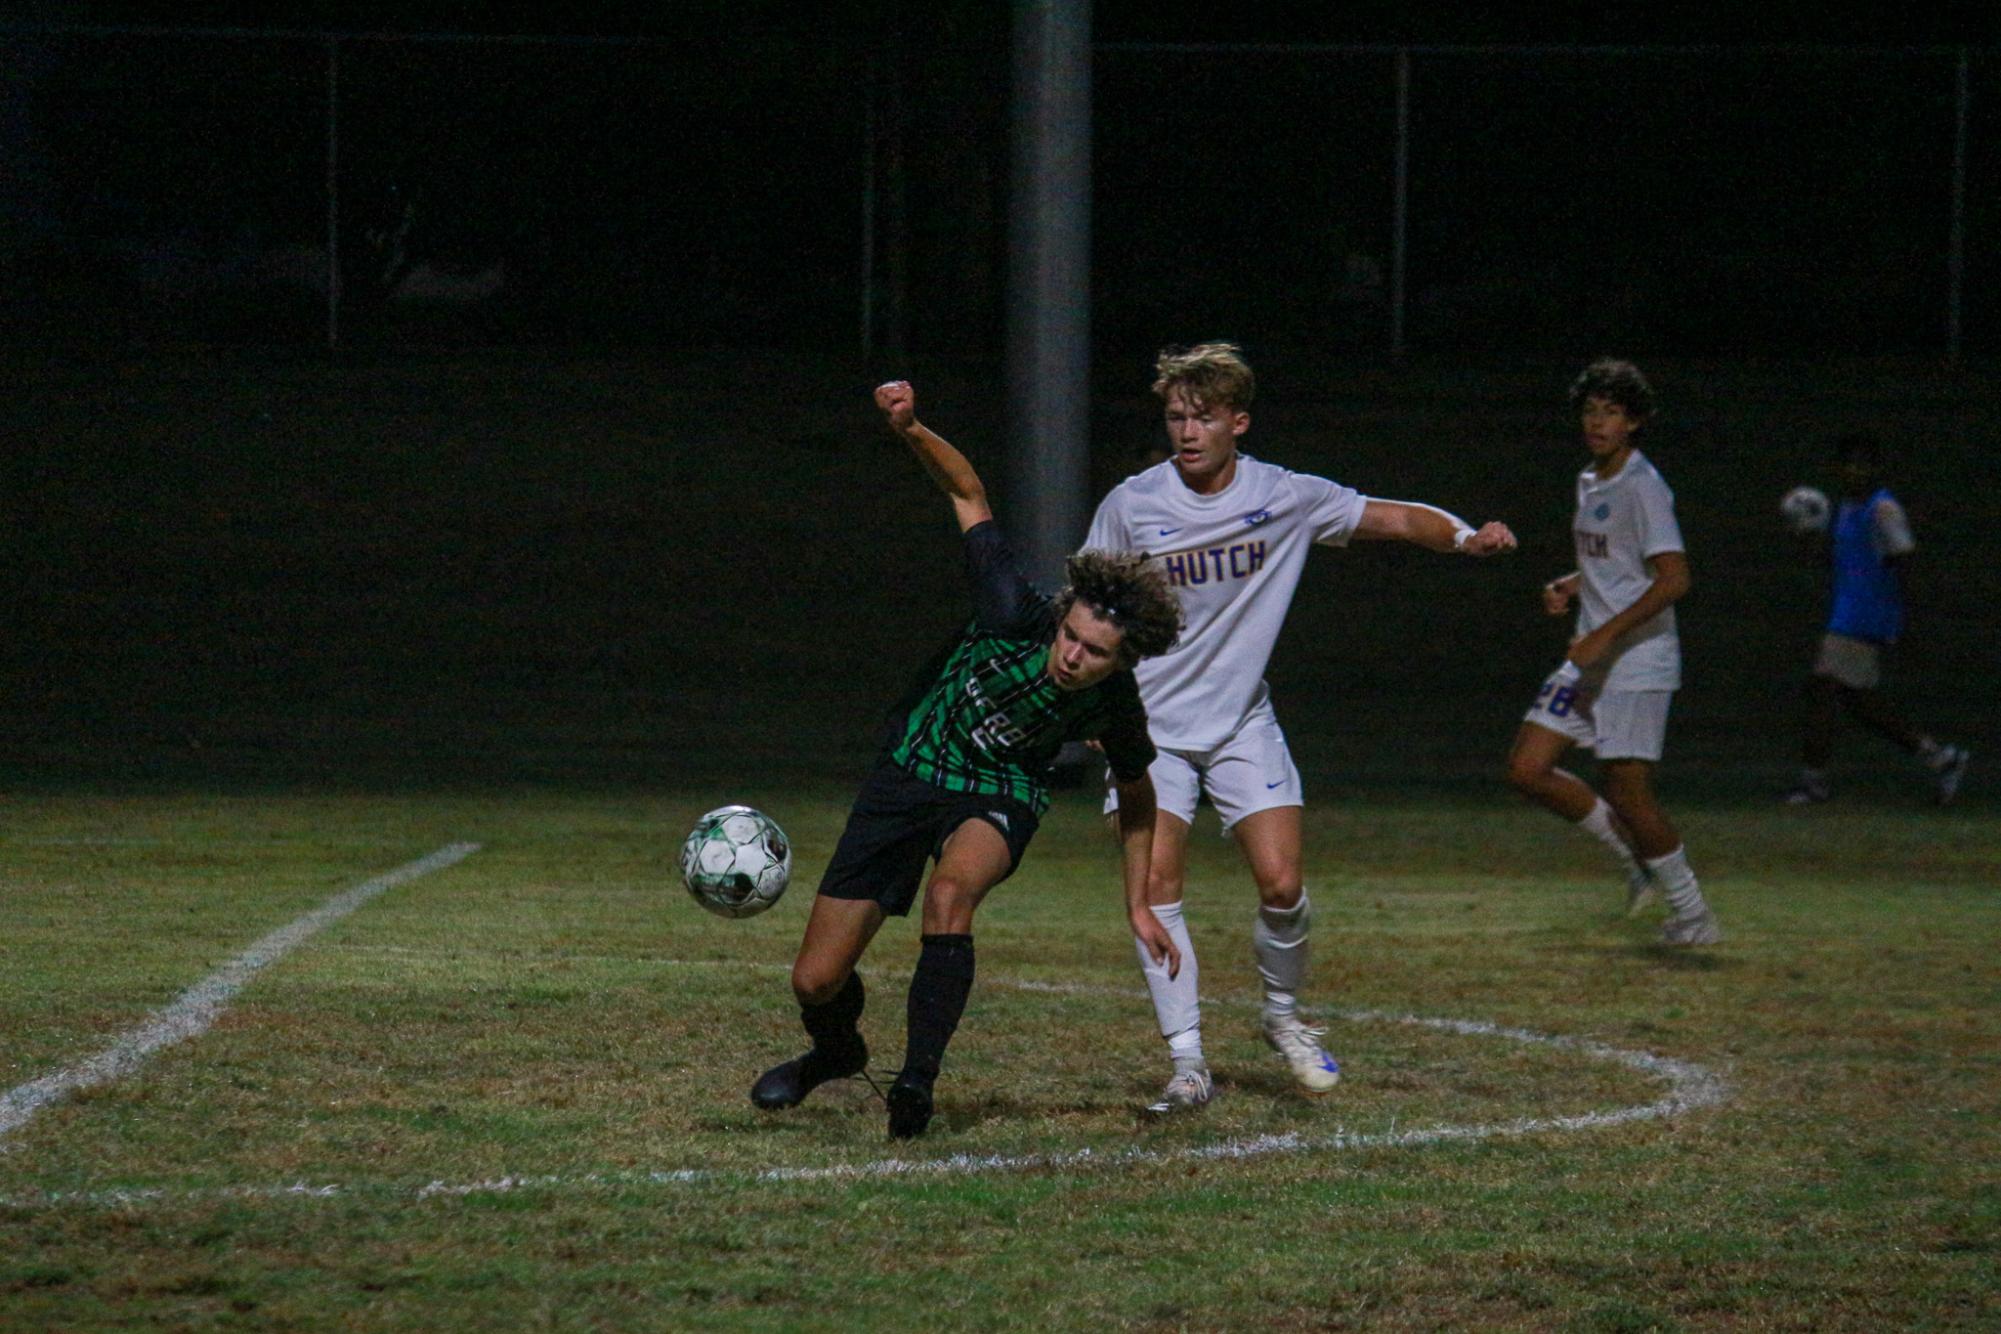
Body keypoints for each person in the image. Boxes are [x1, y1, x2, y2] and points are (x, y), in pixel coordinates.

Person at [1083, 342, 1518, 1113]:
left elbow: (1391, 517)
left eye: (1203, 418)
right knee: (1157, 886)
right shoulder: (1133, 502)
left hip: (1241, 721)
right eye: (1176, 417)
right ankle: (1186, 1064)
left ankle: (1282, 1018)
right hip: (1149, 729)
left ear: (1238, 423)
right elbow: (1084, 601)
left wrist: (1461, 538)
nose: (1186, 431)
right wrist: (1089, 703)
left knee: (1282, 885)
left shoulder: (1285, 496)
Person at [751, 380, 1185, 1140]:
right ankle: (835, 1052)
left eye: (1096, 654)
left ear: (1123, 662)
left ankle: (916, 1083)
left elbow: (1138, 793)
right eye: (1072, 639)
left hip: (998, 789)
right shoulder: (1012, 612)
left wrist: (1138, 902)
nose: (1075, 659)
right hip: (910, 769)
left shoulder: (1113, 707)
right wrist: (911, 427)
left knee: (951, 896)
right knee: (815, 980)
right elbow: (967, 493)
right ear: (1063, 616)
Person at [1505, 359, 1720, 946]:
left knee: (1628, 786)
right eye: (1591, 411)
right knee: (1528, 768)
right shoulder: (1591, 481)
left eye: (1613, 413)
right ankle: (1634, 863)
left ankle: (1693, 914)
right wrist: (1574, 584)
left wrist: (1604, 632)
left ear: (1635, 422)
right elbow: (1618, 562)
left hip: (1637, 656)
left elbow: (1674, 578)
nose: (1598, 422)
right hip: (1592, 654)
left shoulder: (1643, 486)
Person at [1783, 434, 1970, 805]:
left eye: (1864, 464)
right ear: (1838, 469)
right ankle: (1941, 758)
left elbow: (1904, 561)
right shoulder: (1846, 510)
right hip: (1849, 615)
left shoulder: (1883, 509)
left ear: (1875, 469)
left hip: (1866, 618)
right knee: (1859, 703)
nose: (1856, 471)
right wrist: (1808, 539)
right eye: (1849, 463)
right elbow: (1847, 562)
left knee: (1821, 689)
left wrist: (1909, 621)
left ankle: (1813, 783)